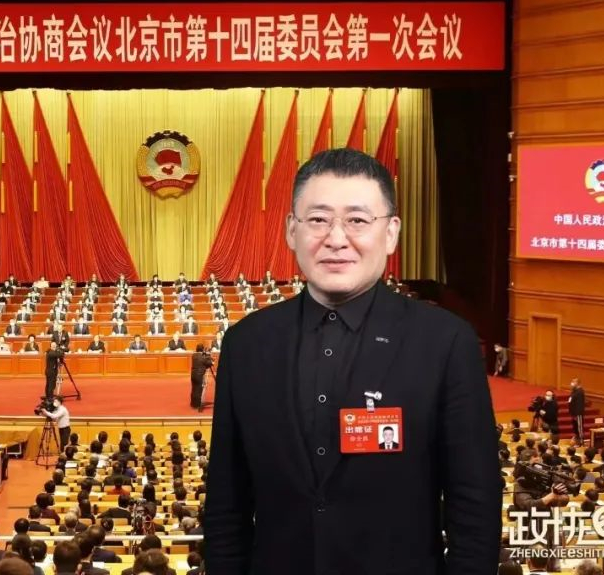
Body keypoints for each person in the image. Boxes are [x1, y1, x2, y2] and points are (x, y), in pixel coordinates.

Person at [205, 148, 500, 575]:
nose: (336, 239)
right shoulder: (247, 343)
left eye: (358, 221)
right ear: (291, 230)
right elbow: (226, 505)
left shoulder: (445, 342)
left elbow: (474, 506)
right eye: (318, 220)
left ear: (391, 233)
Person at [190, 345, 213, 410]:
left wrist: (206, 354)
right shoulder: (202, 357)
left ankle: (193, 403)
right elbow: (209, 363)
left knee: (194, 389)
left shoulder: (194, 355)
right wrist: (208, 356)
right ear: (202, 350)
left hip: (193, 375)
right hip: (199, 375)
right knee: (198, 390)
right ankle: (197, 405)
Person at [568, 378, 586, 445]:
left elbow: (579, 404)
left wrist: (576, 414)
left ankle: (581, 441)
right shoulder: (574, 391)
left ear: (578, 383)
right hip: (573, 413)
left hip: (578, 414)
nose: (572, 383)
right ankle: (577, 440)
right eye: (572, 381)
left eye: (573, 382)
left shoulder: (580, 392)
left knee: (579, 428)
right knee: (575, 427)